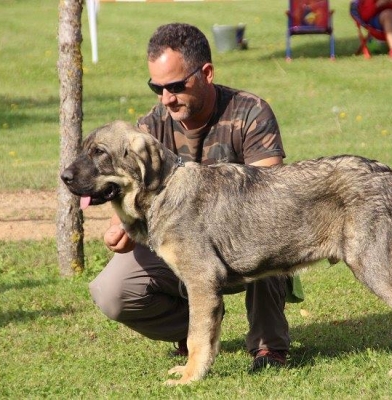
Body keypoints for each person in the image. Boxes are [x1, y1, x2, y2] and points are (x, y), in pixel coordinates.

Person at [88, 23, 301, 370]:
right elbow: (131, 192)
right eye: (156, 88)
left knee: (265, 231)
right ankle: (197, 328)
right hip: (184, 246)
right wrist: (121, 227)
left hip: (243, 241)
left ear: (206, 73)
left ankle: (268, 345)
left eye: (175, 86)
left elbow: (270, 194)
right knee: (112, 290)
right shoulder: (149, 129)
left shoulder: (251, 112)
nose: (166, 99)